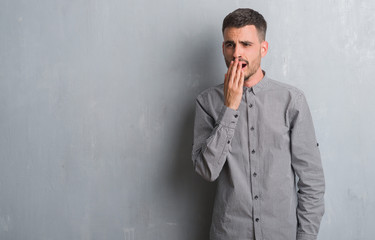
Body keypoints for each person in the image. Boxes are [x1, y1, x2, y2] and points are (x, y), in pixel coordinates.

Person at [192, 8, 325, 240]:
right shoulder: (207, 103)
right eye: (230, 44)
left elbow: (311, 181)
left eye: (246, 44)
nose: (237, 53)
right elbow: (206, 170)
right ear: (223, 47)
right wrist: (230, 108)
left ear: (263, 48)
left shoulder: (292, 101)